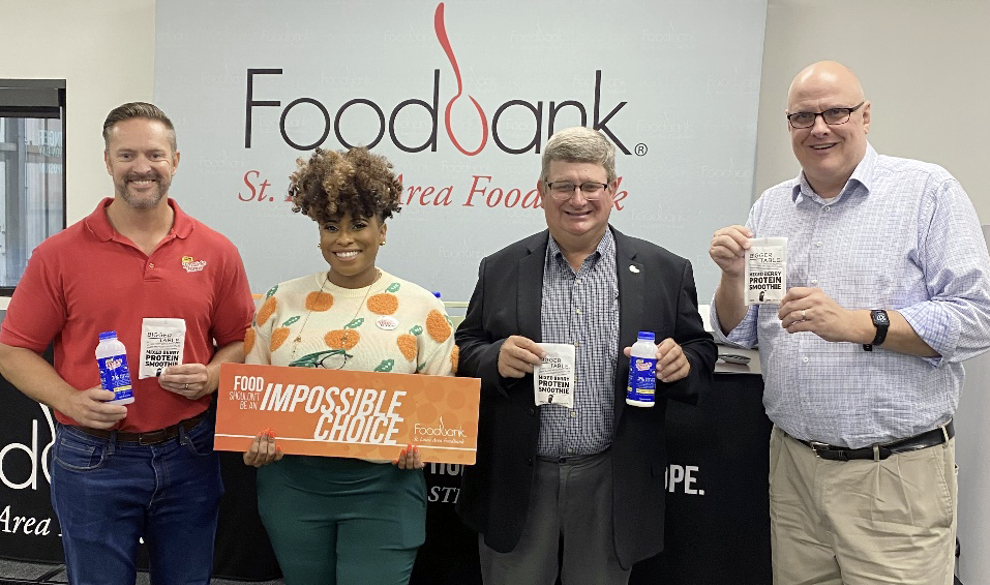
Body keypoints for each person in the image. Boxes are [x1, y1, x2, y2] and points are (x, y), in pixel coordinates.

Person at [709, 61, 990, 585]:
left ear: (865, 116)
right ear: (789, 125)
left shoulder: (926, 191)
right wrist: (730, 278)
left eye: (835, 111)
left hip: (893, 474)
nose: (819, 127)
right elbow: (737, 333)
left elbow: (976, 316)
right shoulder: (771, 207)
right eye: (802, 116)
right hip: (793, 468)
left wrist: (860, 324)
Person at [0, 102, 255, 584]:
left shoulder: (216, 252)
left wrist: (213, 376)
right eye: (127, 155)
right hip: (93, 457)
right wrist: (69, 399)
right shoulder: (58, 255)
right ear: (107, 160)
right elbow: (11, 350)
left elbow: (241, 340)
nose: (142, 167)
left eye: (155, 155)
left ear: (175, 161)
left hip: (190, 454)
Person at [455, 126, 716, 585]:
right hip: (521, 479)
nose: (578, 199)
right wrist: (493, 358)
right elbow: (465, 348)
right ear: (542, 191)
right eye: (563, 185)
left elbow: (701, 350)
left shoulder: (664, 271)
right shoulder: (500, 267)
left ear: (613, 189)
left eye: (591, 185)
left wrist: (683, 365)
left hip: (613, 480)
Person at [241, 146, 457, 585]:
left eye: (359, 225)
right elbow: (252, 400)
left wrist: (425, 443)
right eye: (330, 227)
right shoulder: (279, 300)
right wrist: (253, 441)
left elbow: (437, 410)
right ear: (317, 232)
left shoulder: (421, 308)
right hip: (292, 488)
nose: (344, 240)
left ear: (382, 231)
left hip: (386, 490)